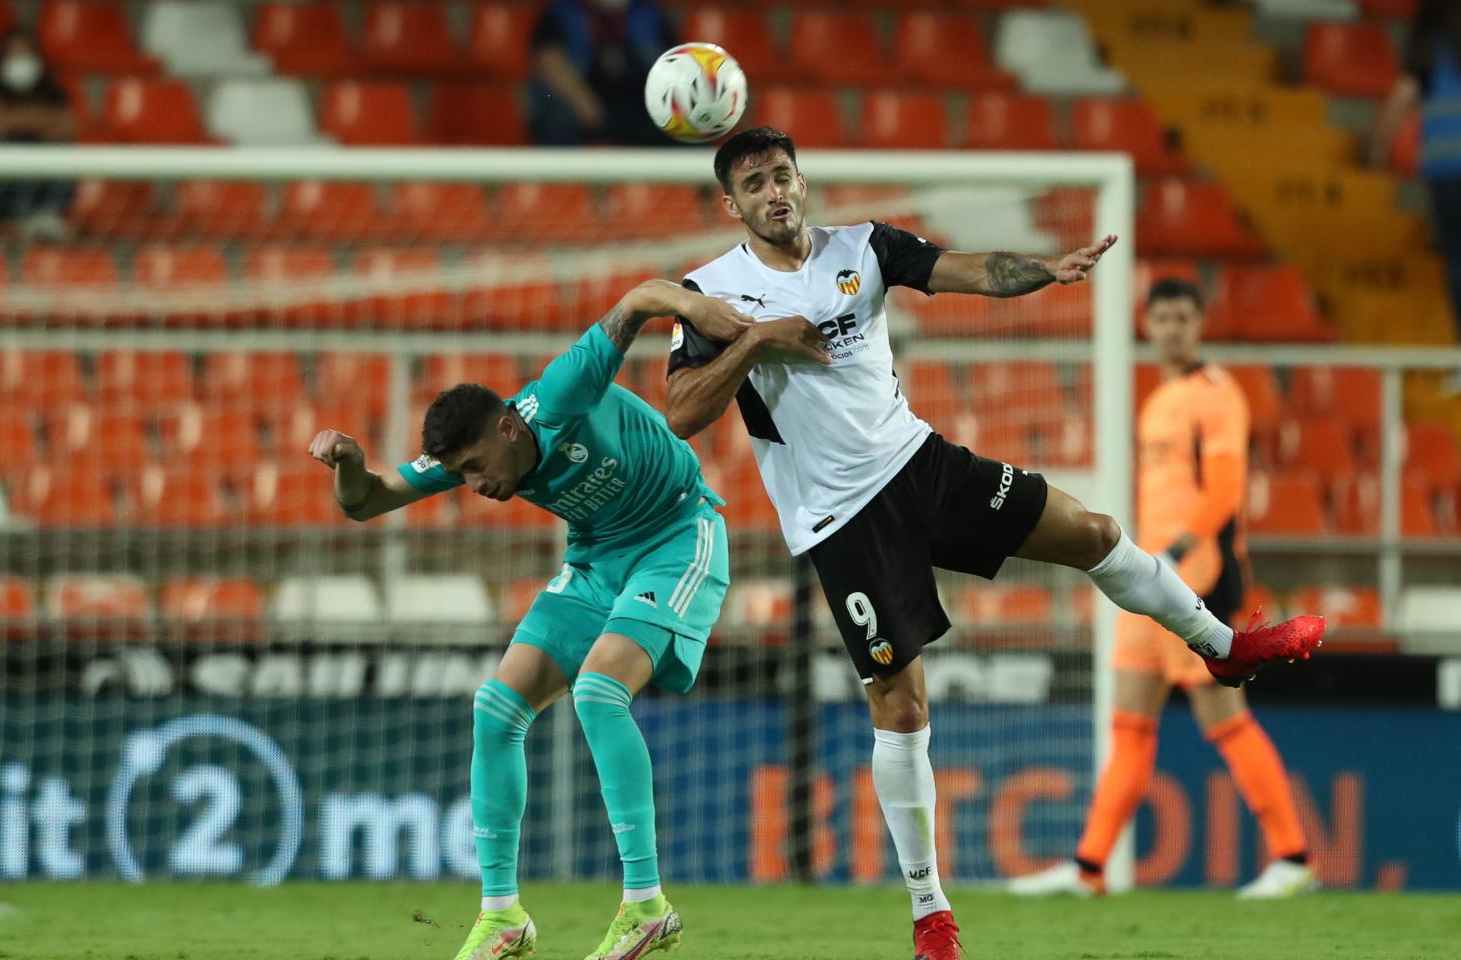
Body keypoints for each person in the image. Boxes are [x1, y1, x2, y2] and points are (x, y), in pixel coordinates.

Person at [662, 127, 1327, 960]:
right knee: (901, 708)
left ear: (804, 180)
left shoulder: (863, 246)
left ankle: (1225, 645)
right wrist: (756, 338)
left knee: (1093, 532)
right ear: (733, 203)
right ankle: (930, 913)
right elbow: (682, 413)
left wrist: (1043, 271)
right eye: (755, 184)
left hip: (922, 464)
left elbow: (964, 270)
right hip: (842, 522)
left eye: (784, 176)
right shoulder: (714, 291)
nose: (775, 193)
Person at [308, 279, 787, 960]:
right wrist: (351, 465)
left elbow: (635, 302)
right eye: (462, 475)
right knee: (495, 709)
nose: (476, 487)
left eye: (476, 468)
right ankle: (501, 916)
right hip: (596, 562)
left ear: (508, 425)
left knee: (598, 690)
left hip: (677, 537)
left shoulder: (563, 391)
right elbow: (366, 504)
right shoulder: (476, 456)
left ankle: (646, 905)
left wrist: (692, 305)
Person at [1007, 278, 1316, 900]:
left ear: (1201, 322)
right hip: (1152, 585)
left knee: (1225, 719)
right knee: (1128, 723)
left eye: (1183, 317)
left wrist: (1176, 552)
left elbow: (1224, 491)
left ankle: (1293, 856)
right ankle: (1091, 868)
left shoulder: (1216, 395)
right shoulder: (1160, 400)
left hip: (1196, 580)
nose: (1173, 328)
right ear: (1148, 325)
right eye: (1163, 317)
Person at [1372, 0, 1461, 343]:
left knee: (1457, 263)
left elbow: (1400, 97)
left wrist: (1377, 152)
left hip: (1447, 173)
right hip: (1446, 172)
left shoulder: (1429, 45)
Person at [527, 0, 676, 147]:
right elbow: (549, 61)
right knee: (557, 116)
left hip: (639, 103)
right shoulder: (561, 12)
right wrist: (580, 99)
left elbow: (672, 64)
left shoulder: (650, 13)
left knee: (683, 118)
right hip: (584, 100)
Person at [0, 28, 75, 235]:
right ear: (2, 59)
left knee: (61, 154)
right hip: (6, 183)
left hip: (47, 180)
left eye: (25, 54)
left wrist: (16, 119)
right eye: (14, 54)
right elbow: (0, 126)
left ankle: (46, 218)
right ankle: (26, 222)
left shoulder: (53, 92)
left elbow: (67, 127)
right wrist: (45, 121)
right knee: (19, 153)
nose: (20, 60)